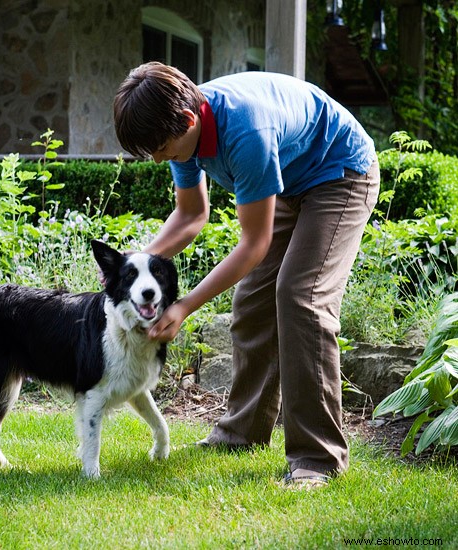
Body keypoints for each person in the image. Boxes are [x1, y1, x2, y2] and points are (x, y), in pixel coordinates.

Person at [113, 62, 379, 488]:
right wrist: (131, 268)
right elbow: (189, 215)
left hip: (341, 174)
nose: (160, 158)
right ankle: (241, 433)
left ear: (188, 120)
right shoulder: (185, 128)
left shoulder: (244, 130)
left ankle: (318, 457)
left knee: (301, 297)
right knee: (252, 303)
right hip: (291, 185)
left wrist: (183, 306)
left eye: (163, 148)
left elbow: (253, 245)